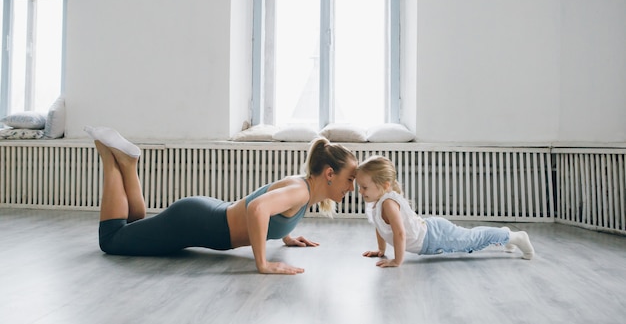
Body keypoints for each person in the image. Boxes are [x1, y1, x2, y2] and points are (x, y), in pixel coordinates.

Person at [85, 126, 357, 275]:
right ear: (330, 173)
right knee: (111, 239)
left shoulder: (303, 188)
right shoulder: (300, 192)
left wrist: (286, 236)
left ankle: (129, 163)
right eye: (350, 179)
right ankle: (108, 157)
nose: (352, 187)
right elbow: (258, 207)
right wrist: (262, 264)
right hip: (195, 223)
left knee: (133, 227)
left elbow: (273, 208)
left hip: (200, 216)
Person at [356, 155, 535, 268]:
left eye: (364, 187)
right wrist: (380, 249)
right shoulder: (376, 203)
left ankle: (515, 237)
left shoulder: (388, 203)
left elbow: (400, 233)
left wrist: (397, 261)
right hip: (431, 231)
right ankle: (506, 237)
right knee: (471, 236)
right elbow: (380, 227)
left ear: (384, 185)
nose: (360, 192)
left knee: (472, 239)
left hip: (434, 236)